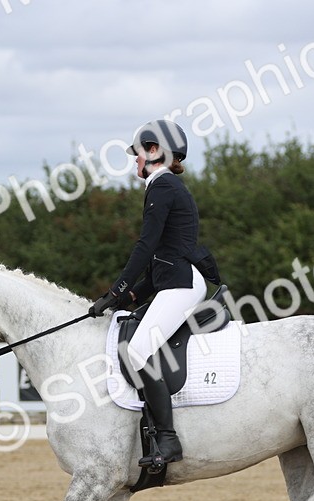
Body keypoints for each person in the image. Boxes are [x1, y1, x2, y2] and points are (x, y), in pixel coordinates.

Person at [88, 119, 218, 467]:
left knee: (139, 350)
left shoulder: (162, 187)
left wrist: (116, 288)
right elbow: (160, 258)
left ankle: (168, 440)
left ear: (154, 150)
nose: (135, 161)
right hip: (175, 278)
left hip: (183, 283)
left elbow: (146, 247)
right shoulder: (167, 188)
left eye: (138, 154)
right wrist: (125, 298)